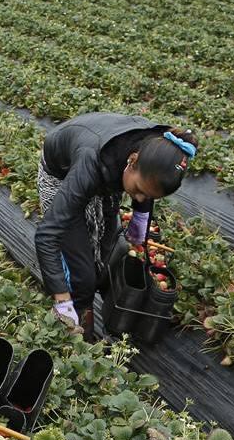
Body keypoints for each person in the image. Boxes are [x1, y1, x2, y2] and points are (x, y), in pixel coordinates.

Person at [34, 113, 198, 333]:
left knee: (105, 245)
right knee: (82, 272)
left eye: (147, 195)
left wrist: (139, 227)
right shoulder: (91, 162)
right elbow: (46, 235)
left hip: (105, 173)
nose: (139, 199)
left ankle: (91, 284)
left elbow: (145, 190)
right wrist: (62, 299)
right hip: (61, 174)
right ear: (131, 161)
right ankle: (77, 325)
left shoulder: (158, 151)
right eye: (138, 191)